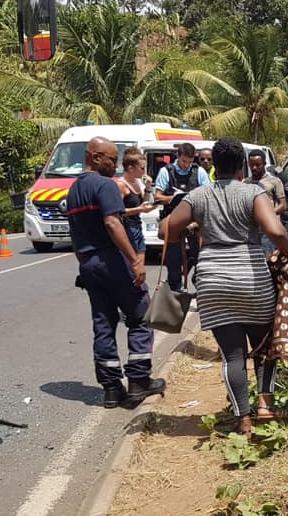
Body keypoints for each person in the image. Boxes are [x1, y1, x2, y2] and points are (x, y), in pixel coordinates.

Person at [165, 137, 288, 435]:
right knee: (263, 349)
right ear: (242, 167)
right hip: (251, 278)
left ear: (213, 165)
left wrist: (197, 223)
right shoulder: (253, 193)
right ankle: (265, 405)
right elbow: (275, 230)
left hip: (212, 280)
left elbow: (167, 228)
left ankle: (243, 419)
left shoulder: (198, 195)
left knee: (232, 354)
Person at [67, 137, 164, 409]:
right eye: (111, 158)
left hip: (88, 262)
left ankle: (111, 388)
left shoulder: (74, 190)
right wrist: (135, 260)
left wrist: (84, 264)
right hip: (112, 260)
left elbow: (75, 233)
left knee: (103, 323)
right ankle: (138, 380)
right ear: (96, 157)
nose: (115, 164)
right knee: (141, 315)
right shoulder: (104, 185)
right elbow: (112, 222)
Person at [155, 142, 210, 291]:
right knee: (172, 258)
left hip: (195, 221)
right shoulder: (166, 171)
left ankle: (199, 286)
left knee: (200, 256)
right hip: (173, 219)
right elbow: (158, 196)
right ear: (177, 157)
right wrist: (172, 198)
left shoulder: (199, 172)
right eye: (184, 161)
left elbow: (208, 195)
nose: (187, 165)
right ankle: (175, 290)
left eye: (190, 162)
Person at [245, 150, 287, 256]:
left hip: (267, 231)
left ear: (264, 164)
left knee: (268, 260)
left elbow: (282, 205)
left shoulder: (274, 181)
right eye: (252, 165)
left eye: (258, 165)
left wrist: (266, 215)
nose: (254, 168)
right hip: (250, 231)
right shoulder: (245, 183)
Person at [118, 148, 155, 263]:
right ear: (130, 168)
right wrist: (139, 209)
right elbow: (118, 211)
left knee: (140, 263)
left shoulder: (137, 183)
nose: (144, 172)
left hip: (137, 226)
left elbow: (144, 201)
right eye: (142, 168)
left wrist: (148, 187)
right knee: (133, 264)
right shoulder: (121, 185)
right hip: (126, 228)